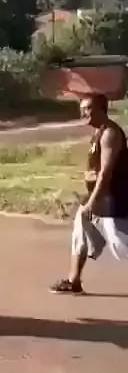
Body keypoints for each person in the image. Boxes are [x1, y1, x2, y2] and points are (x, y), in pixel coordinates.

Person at [51, 94, 128, 294]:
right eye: (82, 109)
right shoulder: (99, 132)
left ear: (101, 109)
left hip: (112, 199)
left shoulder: (110, 133)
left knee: (120, 243)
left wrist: (93, 201)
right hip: (99, 197)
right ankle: (74, 281)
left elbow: (106, 172)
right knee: (80, 226)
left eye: (87, 108)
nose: (83, 113)